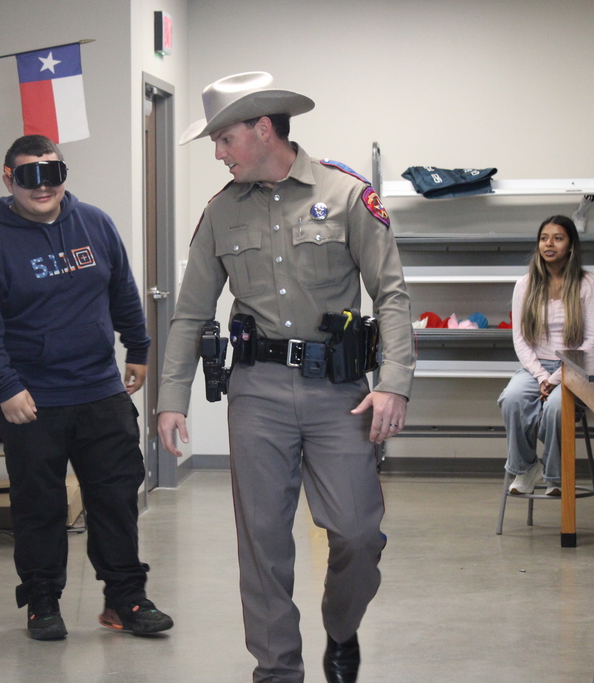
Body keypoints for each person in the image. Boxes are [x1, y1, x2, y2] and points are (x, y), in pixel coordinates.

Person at [157, 72, 415, 683]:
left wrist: (395, 380)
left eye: (223, 139)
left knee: (357, 533)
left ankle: (342, 626)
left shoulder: (347, 195)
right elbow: (191, 312)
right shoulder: (220, 212)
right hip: (257, 394)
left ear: (262, 129)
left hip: (340, 392)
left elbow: (392, 293)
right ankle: (277, 671)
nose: (218, 153)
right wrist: (172, 399)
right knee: (263, 545)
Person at [0, 134, 173, 640]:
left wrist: (138, 348)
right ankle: (42, 601)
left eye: (52, 173)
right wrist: (5, 388)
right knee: (40, 506)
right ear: (8, 177)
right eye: (29, 175)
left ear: (63, 175)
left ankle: (125, 600)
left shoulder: (94, 223)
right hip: (31, 401)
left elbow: (122, 287)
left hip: (100, 391)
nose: (43, 186)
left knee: (116, 500)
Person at [500, 215, 594, 496]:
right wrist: (542, 376)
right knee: (513, 399)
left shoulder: (588, 283)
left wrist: (557, 378)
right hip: (536, 368)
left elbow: (592, 342)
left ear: (570, 246)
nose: (549, 243)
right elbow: (520, 338)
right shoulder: (525, 284)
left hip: (575, 367)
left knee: (558, 407)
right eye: (544, 238)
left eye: (558, 238)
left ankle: (555, 475)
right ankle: (525, 468)